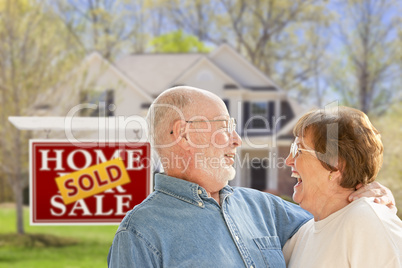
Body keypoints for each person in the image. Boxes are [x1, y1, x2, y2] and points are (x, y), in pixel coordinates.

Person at [107, 86, 395, 267]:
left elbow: (334, 217)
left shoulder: (265, 209)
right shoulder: (139, 236)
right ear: (184, 133)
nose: (237, 139)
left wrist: (366, 189)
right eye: (224, 126)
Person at [282, 106, 402, 267]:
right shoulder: (301, 236)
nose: (288, 160)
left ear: (335, 164)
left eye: (299, 149)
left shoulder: (367, 221)